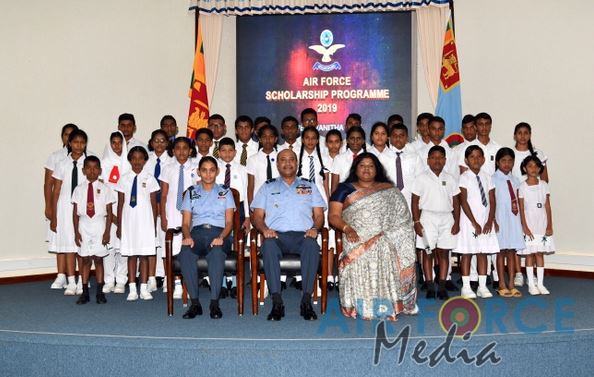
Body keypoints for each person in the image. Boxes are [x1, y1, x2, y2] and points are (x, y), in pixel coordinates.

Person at [329, 153, 417, 320]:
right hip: (355, 237)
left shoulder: (388, 189)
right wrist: (347, 228)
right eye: (362, 165)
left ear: (377, 169)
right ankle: (361, 306)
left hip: (385, 238)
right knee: (364, 255)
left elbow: (402, 217)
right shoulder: (344, 189)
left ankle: (387, 305)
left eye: (371, 165)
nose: (367, 169)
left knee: (384, 248)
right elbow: (333, 216)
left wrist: (390, 234)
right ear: (356, 169)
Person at [251, 149, 326, 321]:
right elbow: (257, 216)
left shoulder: (309, 185)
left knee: (312, 245)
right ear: (277, 164)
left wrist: (315, 228)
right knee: (268, 245)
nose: (287, 163)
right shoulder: (267, 187)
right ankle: (277, 302)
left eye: (291, 159)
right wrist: (264, 230)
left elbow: (320, 215)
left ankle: (306, 301)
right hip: (277, 237)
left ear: (297, 163)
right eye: (283, 160)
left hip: (303, 236)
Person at [179, 157, 235, 319]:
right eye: (204, 170)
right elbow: (185, 223)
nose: (208, 174)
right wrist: (187, 236)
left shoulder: (226, 192)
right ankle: (195, 304)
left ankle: (214, 303)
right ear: (199, 172)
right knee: (186, 253)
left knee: (216, 254)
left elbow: (230, 223)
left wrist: (221, 237)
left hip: (219, 233)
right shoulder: (191, 192)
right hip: (196, 234)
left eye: (212, 170)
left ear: (217, 172)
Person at [411, 146, 460, 300]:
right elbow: (414, 201)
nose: (437, 161)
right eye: (433, 157)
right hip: (427, 218)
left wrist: (457, 221)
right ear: (428, 160)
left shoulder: (450, 178)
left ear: (445, 160)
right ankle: (430, 285)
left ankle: (443, 285)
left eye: (440, 158)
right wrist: (417, 221)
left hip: (446, 218)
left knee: (444, 252)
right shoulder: (421, 178)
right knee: (428, 252)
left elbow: (456, 201)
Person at [116, 146, 160, 301]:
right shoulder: (124, 178)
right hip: (129, 221)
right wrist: (120, 225)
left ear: (145, 160)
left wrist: (153, 225)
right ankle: (132, 288)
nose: (137, 161)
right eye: (133, 158)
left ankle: (144, 287)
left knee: (145, 255)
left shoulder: (150, 178)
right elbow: (121, 203)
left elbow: (154, 204)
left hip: (145, 221)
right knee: (131, 255)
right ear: (129, 160)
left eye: (140, 158)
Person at [455, 145, 499, 299]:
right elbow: (463, 201)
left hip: (485, 220)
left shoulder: (488, 177)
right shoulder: (463, 177)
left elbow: (492, 201)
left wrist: (489, 221)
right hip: (469, 221)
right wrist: (474, 222)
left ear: (483, 159)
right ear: (466, 160)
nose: (476, 159)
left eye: (479, 156)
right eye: (472, 157)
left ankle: (482, 285)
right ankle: (466, 287)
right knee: (467, 253)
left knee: (483, 253)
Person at [50, 129, 89, 296]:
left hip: (83, 208)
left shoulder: (89, 164)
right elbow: (56, 190)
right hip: (65, 209)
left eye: (82, 142)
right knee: (68, 245)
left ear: (85, 144)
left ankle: (82, 281)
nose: (78, 146)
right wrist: (53, 214)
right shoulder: (62, 164)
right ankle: (71, 281)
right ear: (69, 143)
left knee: (82, 245)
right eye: (75, 142)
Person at [72, 156, 115, 304]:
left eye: (95, 167)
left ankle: (99, 292)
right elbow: (75, 212)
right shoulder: (78, 189)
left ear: (100, 170)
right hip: (84, 224)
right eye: (88, 167)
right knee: (84, 259)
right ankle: (84, 292)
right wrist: (76, 232)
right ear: (83, 170)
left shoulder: (105, 188)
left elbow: (109, 212)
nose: (92, 170)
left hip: (99, 224)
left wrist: (107, 231)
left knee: (98, 259)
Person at [159, 137, 199, 298]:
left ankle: (187, 284)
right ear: (173, 150)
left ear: (190, 151)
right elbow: (163, 195)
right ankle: (175, 282)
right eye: (178, 148)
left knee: (188, 246)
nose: (181, 151)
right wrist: (162, 216)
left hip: (191, 213)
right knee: (173, 247)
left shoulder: (196, 168)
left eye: (185, 148)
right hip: (172, 212)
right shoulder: (167, 168)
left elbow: (199, 192)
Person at [45, 123, 78, 290]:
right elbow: (49, 185)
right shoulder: (56, 157)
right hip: (62, 206)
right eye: (66, 135)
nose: (69, 138)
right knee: (61, 239)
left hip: (80, 206)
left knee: (76, 240)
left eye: (73, 135)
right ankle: (61, 275)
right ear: (63, 137)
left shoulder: (87, 158)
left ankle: (76, 277)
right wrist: (49, 207)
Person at [216, 137, 250, 298]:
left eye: (230, 150)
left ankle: (236, 283)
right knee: (221, 245)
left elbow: (248, 195)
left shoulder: (242, 169)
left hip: (239, 211)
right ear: (218, 152)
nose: (227, 154)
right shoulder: (214, 169)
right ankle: (222, 283)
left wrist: (248, 216)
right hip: (219, 212)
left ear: (235, 152)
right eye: (223, 150)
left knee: (238, 246)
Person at [518, 155, 555, 295]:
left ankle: (540, 284)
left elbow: (548, 206)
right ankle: (531, 285)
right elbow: (521, 208)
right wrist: (524, 226)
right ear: (524, 168)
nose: (533, 169)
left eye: (536, 166)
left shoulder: (544, 185)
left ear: (540, 168)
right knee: (530, 254)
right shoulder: (522, 187)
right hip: (529, 222)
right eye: (530, 166)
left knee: (539, 253)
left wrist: (549, 225)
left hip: (542, 222)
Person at [492, 148, 524, 298]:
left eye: (510, 160)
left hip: (513, 219)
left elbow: (518, 201)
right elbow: (491, 203)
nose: (506, 164)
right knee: (501, 252)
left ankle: (511, 283)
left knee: (512, 252)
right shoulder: (492, 179)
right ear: (498, 162)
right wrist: (493, 220)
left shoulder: (516, 180)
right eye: (503, 160)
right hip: (500, 218)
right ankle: (501, 284)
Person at [100, 131, 129, 294]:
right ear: (110, 144)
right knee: (109, 247)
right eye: (114, 143)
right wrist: (111, 214)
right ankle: (109, 279)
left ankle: (121, 279)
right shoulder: (104, 164)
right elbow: (102, 189)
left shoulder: (129, 163)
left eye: (120, 142)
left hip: (125, 210)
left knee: (123, 247)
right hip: (108, 210)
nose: (117, 146)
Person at [145, 129, 173, 291]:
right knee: (149, 243)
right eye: (156, 140)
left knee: (164, 242)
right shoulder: (145, 161)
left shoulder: (171, 162)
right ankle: (152, 278)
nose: (159, 144)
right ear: (151, 142)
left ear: (167, 143)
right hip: (147, 208)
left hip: (164, 208)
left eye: (163, 141)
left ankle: (167, 276)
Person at [247, 124, 279, 205]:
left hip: (278, 201)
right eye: (264, 137)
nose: (267, 140)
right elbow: (250, 187)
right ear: (260, 139)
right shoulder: (253, 159)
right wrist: (251, 207)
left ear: (276, 139)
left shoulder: (281, 158)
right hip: (259, 202)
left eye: (271, 136)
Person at [330, 126, 366, 193]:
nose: (355, 141)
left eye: (358, 138)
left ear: (363, 141)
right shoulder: (339, 159)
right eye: (352, 138)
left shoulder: (369, 158)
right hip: (344, 197)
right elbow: (334, 187)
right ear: (347, 140)